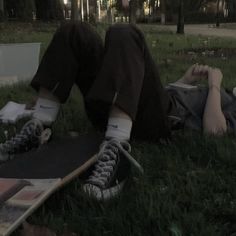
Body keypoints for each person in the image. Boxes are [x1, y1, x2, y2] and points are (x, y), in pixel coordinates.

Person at [0, 22, 236, 201]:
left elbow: (215, 130)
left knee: (126, 33)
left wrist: (215, 84)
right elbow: (148, 89)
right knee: (74, 32)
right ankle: (39, 127)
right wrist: (185, 80)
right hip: (121, 105)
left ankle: (117, 151)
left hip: (155, 123)